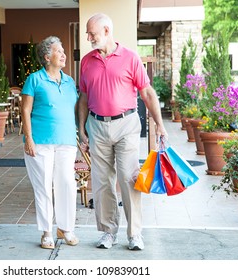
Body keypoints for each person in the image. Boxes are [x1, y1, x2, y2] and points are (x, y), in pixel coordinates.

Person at [78, 13, 168, 250]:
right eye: (88, 33)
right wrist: (81, 129)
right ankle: (108, 232)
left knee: (129, 178)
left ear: (107, 31)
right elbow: (84, 97)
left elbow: (147, 93)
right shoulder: (87, 61)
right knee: (101, 182)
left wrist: (159, 123)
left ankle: (134, 233)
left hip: (126, 124)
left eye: (92, 33)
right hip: (97, 126)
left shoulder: (130, 57)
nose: (88, 37)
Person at [21, 36, 79, 249]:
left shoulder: (69, 81)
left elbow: (73, 109)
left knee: (66, 183)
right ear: (47, 57)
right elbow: (25, 110)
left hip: (66, 140)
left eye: (63, 50)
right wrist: (29, 138)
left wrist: (81, 135)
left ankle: (65, 228)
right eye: (58, 51)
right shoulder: (34, 79)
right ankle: (46, 231)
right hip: (40, 141)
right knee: (44, 186)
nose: (63, 54)